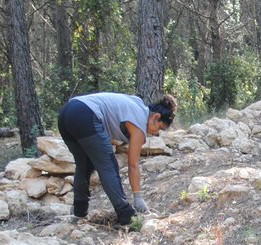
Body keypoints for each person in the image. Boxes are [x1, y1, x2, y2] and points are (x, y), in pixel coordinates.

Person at [56, 92, 177, 225]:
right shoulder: (139, 123)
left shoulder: (137, 105)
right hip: (86, 114)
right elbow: (133, 165)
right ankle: (126, 215)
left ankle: (79, 213)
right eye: (159, 127)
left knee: (84, 165)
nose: (156, 133)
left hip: (66, 113)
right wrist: (138, 197)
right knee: (109, 165)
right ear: (156, 117)